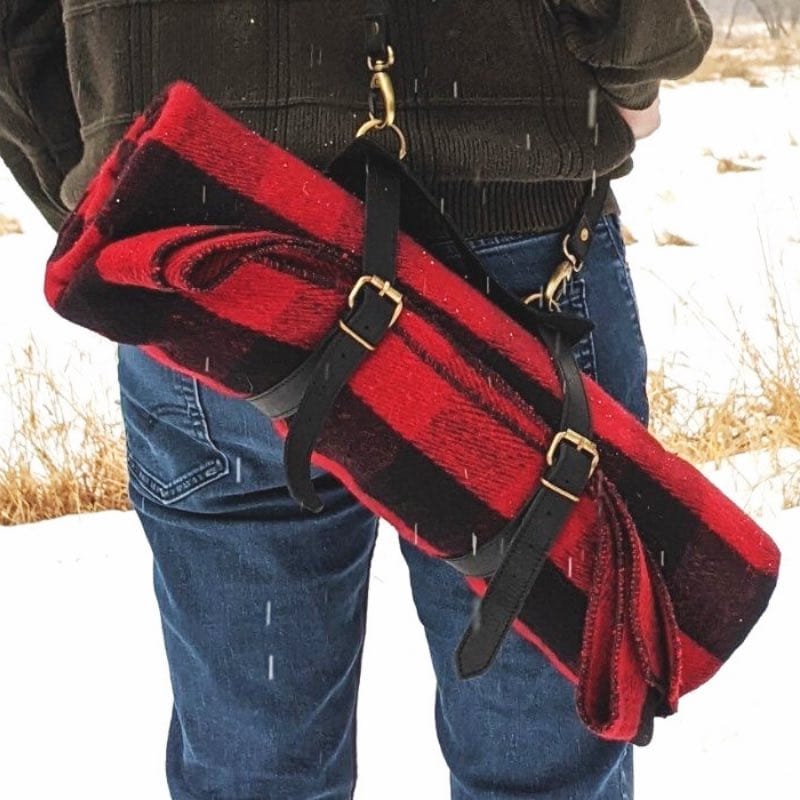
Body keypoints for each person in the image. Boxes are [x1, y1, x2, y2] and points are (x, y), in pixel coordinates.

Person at [0, 1, 712, 797]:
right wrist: (637, 64)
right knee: (540, 766)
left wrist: (112, 183)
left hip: (205, 251)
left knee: (256, 772)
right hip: (502, 229)